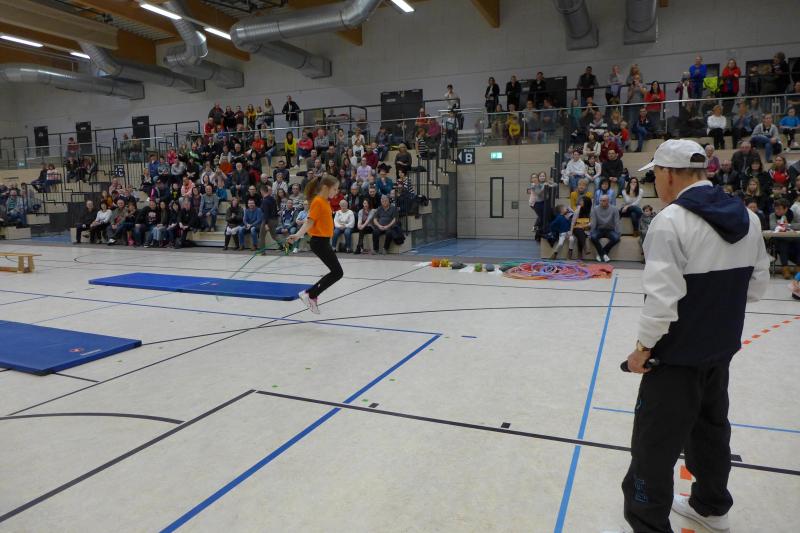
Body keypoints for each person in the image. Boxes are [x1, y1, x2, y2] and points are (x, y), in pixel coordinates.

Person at [619, 139, 769, 533]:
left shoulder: (670, 222)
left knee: (654, 445)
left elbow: (661, 303)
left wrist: (641, 351)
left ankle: (648, 525)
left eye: (655, 175)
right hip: (719, 350)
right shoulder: (748, 218)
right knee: (711, 429)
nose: (655, 184)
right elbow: (757, 287)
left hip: (675, 358)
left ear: (669, 174)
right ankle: (711, 506)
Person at [288, 175, 343, 314]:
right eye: (335, 189)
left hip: (323, 241)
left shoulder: (324, 201)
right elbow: (309, 222)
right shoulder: (318, 201)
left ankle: (310, 294)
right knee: (337, 272)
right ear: (325, 187)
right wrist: (297, 235)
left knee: (336, 272)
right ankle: (310, 294)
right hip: (319, 242)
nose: (336, 192)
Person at [590, 193, 620, 262]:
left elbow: (617, 222)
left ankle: (601, 253)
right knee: (593, 237)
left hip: (610, 229)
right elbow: (593, 222)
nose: (601, 202)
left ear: (608, 201)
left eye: (603, 201)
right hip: (599, 229)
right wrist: (591, 232)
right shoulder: (595, 209)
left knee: (616, 238)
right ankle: (604, 255)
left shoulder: (614, 209)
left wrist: (618, 232)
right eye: (600, 200)